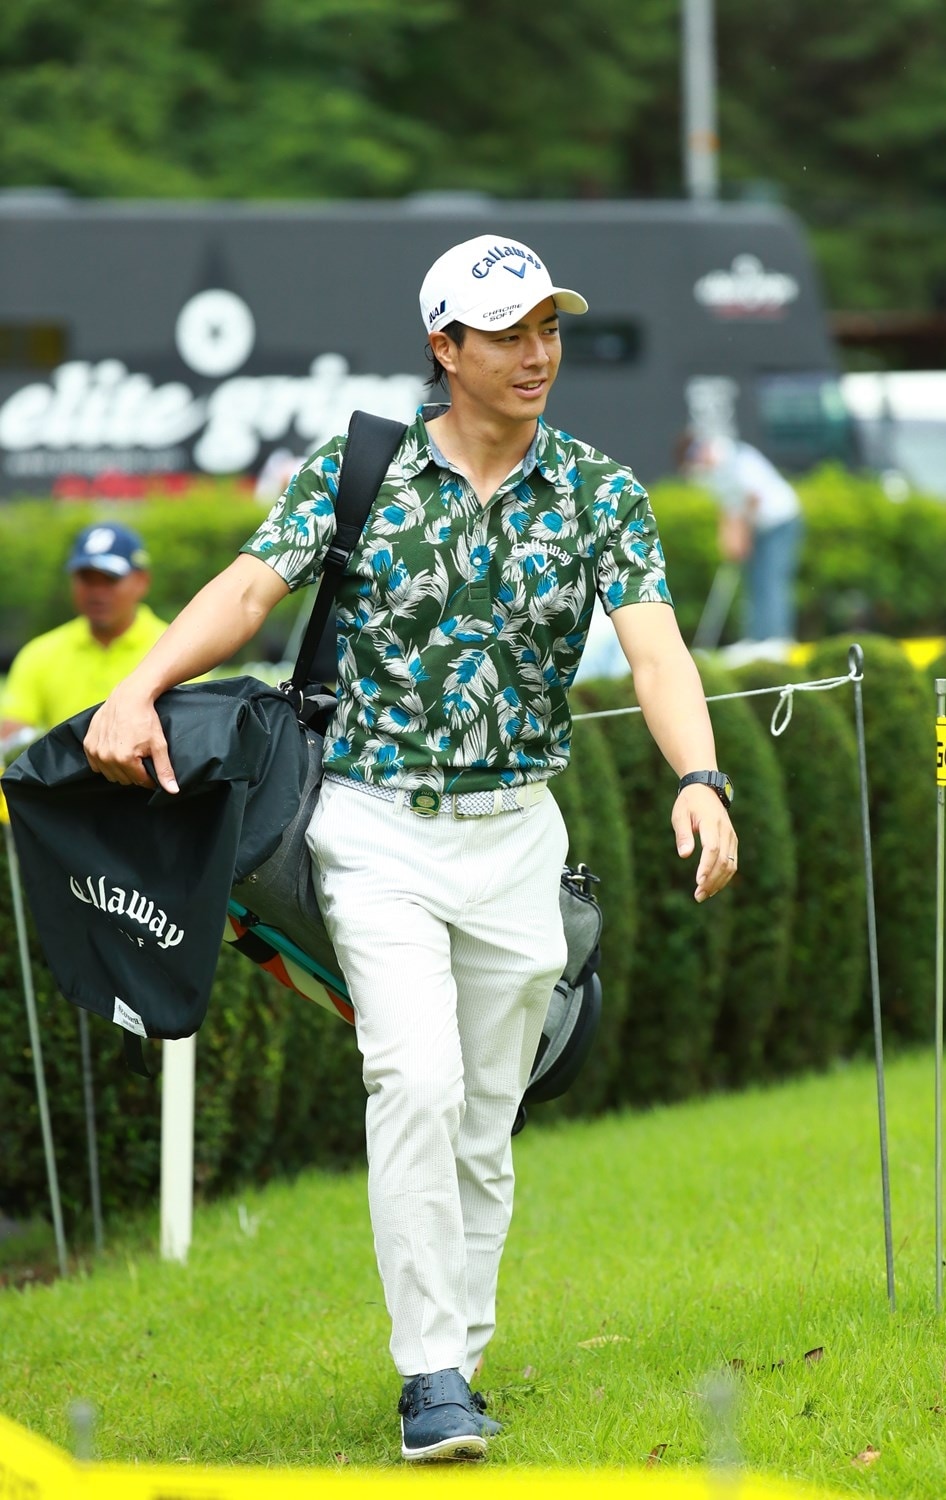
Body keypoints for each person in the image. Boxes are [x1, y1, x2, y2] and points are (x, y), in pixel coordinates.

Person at [82, 236, 739, 1464]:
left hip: (518, 834)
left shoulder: (598, 490)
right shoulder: (359, 467)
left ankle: (458, 1364)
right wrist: (137, 687)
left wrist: (699, 778)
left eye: (548, 327)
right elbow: (247, 590)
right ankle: (428, 1374)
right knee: (417, 1083)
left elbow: (656, 649)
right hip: (372, 829)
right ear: (445, 347)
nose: (536, 353)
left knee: (485, 1117)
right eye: (507, 333)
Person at [0, 522, 167, 749]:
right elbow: (10, 743)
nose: (97, 592)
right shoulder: (39, 653)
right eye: (87, 579)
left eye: (110, 579)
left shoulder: (175, 648)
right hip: (62, 773)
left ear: (142, 581)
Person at [676, 429, 803, 648]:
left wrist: (743, 534)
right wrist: (728, 541)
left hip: (780, 521)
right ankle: (757, 639)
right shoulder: (712, 475)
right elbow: (727, 509)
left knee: (770, 580)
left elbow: (754, 498)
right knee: (754, 582)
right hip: (758, 527)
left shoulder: (738, 456)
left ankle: (776, 640)